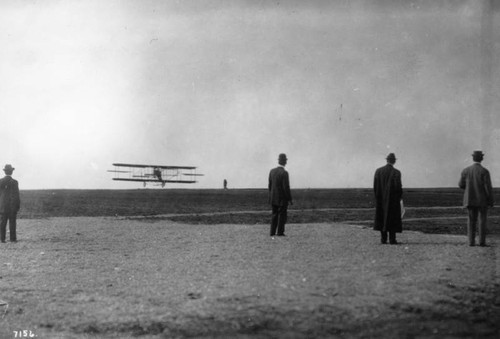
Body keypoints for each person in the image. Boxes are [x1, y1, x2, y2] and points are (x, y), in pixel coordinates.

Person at [458, 150, 494, 246]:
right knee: (482, 221)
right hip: (482, 201)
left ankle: (471, 242)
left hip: (469, 200)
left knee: (471, 221)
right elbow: (488, 188)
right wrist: (490, 201)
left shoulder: (466, 170)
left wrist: (469, 188)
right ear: (481, 158)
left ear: (473, 158)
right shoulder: (485, 171)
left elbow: (461, 185)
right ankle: (482, 242)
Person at [373, 153, 403, 244]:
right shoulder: (396, 172)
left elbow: (375, 186)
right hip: (393, 200)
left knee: (382, 218)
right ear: (394, 161)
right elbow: (398, 187)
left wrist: (378, 198)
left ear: (387, 160)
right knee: (392, 219)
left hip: (381, 199)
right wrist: (399, 197)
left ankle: (383, 239)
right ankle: (392, 239)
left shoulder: (378, 171)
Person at [268, 153, 293, 237]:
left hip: (273, 198)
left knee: (274, 214)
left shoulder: (272, 171)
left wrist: (271, 196)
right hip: (282, 199)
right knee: (282, 215)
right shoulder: (284, 173)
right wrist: (289, 199)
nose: (286, 162)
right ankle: (280, 232)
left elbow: (270, 186)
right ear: (284, 162)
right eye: (285, 160)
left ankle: (272, 232)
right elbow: (286, 187)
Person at [0, 164, 21, 243]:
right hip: (12, 206)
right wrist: (17, 206)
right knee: (12, 223)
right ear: (11, 172)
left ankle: (2, 239)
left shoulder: (0, 181)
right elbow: (16, 196)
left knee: (2, 223)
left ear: (5, 172)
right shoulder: (15, 182)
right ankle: (13, 239)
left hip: (2, 207)